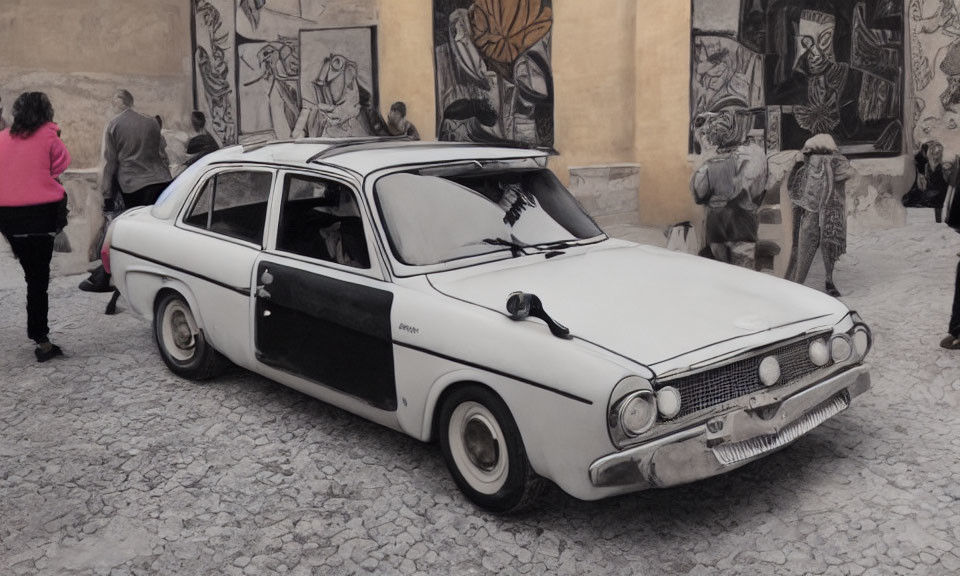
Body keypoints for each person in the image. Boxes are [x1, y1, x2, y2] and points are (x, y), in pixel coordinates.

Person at [0, 92, 71, 362]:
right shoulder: (49, 135)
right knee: (37, 281)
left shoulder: (2, 138)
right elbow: (61, 165)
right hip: (41, 216)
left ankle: (23, 254)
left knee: (31, 268)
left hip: (8, 218)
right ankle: (41, 341)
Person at [80, 89, 172, 293]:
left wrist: (106, 193)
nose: (112, 106)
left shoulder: (114, 124)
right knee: (157, 230)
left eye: (113, 103)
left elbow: (109, 162)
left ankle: (117, 277)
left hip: (133, 183)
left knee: (129, 234)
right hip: (161, 180)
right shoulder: (151, 121)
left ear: (120, 103)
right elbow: (161, 150)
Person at [690, 101, 768, 269]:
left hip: (733, 225)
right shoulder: (747, 153)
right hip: (727, 227)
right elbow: (698, 191)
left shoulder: (750, 153)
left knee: (736, 274)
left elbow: (701, 192)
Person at [785, 134, 855, 297]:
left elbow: (845, 174)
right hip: (813, 209)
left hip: (825, 211)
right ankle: (802, 280)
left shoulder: (829, 162)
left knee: (827, 244)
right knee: (810, 242)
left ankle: (825, 279)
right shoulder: (809, 164)